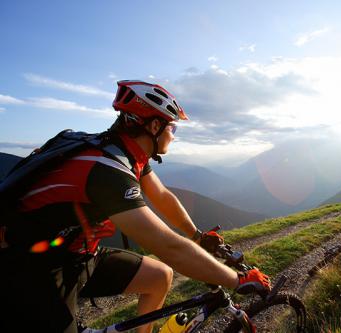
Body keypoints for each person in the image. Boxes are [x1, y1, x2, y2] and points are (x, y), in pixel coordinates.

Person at [0, 80, 270, 333]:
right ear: (154, 127)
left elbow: (162, 196)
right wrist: (236, 280)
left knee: (159, 276)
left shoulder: (125, 153)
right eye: (171, 128)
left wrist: (196, 235)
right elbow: (168, 247)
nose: (173, 136)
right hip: (32, 269)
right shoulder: (107, 171)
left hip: (78, 253)